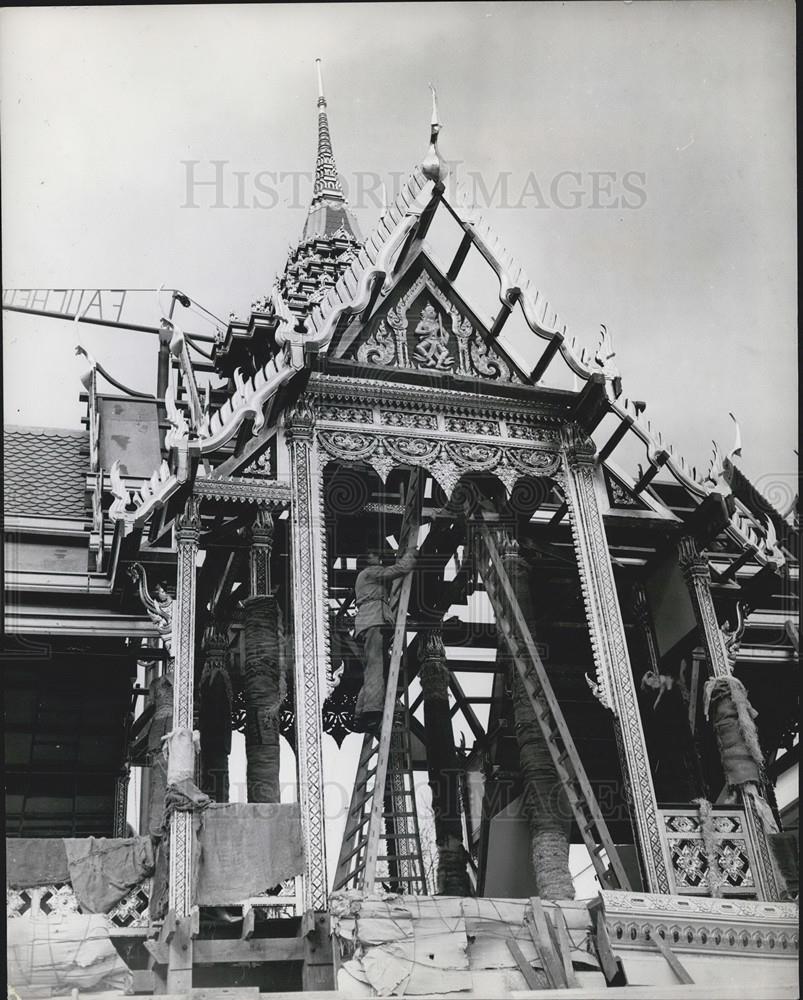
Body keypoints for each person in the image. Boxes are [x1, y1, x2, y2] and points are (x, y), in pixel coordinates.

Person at [353, 545, 417, 733]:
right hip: (374, 620)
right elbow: (400, 569)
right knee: (376, 668)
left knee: (374, 669)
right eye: (374, 555)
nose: (378, 558)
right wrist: (411, 554)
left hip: (369, 622)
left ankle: (361, 713)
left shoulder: (364, 577)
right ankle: (371, 711)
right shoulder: (371, 572)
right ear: (367, 560)